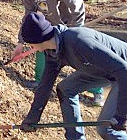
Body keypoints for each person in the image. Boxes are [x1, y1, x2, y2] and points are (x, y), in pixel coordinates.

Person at [19, 12, 127, 140]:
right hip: (104, 72)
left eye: (30, 44)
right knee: (66, 89)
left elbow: (123, 70)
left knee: (106, 129)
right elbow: (45, 86)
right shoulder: (52, 52)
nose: (32, 48)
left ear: (37, 40)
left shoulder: (78, 41)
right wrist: (32, 118)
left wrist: (121, 115)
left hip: (122, 73)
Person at [10, 0, 105, 106]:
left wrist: (75, 29)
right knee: (40, 45)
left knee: (80, 56)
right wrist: (20, 43)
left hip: (69, 26)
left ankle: (97, 91)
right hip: (52, 27)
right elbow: (28, 19)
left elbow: (77, 3)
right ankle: (39, 81)